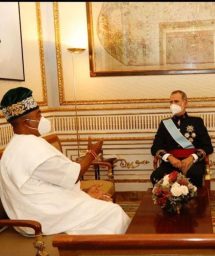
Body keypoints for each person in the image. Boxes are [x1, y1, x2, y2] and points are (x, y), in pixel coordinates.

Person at [0, 87, 130, 236]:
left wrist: (83, 194)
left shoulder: (15, 146)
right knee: (113, 213)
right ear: (25, 122)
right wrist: (93, 152)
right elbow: (73, 174)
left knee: (102, 205)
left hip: (32, 211)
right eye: (38, 115)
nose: (42, 119)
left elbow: (48, 181)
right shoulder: (31, 148)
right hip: (42, 216)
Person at [150, 90, 213, 188]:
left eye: (176, 101)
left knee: (195, 174)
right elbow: (155, 148)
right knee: (156, 176)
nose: (173, 104)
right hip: (170, 163)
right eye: (171, 102)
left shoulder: (197, 122)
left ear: (185, 103)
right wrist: (169, 157)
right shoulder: (165, 123)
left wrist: (192, 157)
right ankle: (167, 203)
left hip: (192, 163)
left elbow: (208, 147)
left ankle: (194, 203)